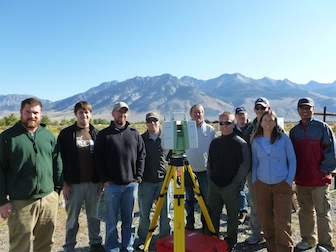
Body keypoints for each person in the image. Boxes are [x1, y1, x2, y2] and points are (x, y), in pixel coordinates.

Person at [0, 97, 63, 252]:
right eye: (28, 112)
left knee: (46, 244)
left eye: (35, 113)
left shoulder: (48, 136)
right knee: (20, 246)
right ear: (21, 112)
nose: (31, 116)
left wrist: (56, 192)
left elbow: (57, 163)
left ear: (41, 114)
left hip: (48, 199)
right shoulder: (7, 138)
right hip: (21, 202)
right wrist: (2, 201)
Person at [94, 101, 146, 252]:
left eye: (124, 112)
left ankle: (127, 247)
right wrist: (105, 180)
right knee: (111, 221)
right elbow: (98, 159)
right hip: (112, 186)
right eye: (119, 111)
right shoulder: (104, 135)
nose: (122, 115)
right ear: (113, 113)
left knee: (128, 221)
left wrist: (138, 178)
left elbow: (142, 156)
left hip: (131, 185)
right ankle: (112, 248)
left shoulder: (134, 134)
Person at [57, 101, 105, 252]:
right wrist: (64, 183)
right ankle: (69, 246)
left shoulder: (96, 133)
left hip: (93, 184)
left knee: (94, 216)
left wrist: (102, 180)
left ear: (90, 114)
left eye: (87, 112)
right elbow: (59, 160)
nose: (84, 115)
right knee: (72, 219)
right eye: (81, 112)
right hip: (73, 185)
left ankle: (95, 243)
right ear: (75, 114)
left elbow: (103, 158)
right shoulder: (66, 134)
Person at [289, 97, 336, 252]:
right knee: (305, 211)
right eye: (302, 108)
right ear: (298, 111)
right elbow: (291, 155)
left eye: (308, 108)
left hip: (320, 180)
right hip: (302, 180)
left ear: (313, 110)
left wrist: (324, 171)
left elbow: (331, 153)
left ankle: (326, 245)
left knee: (323, 213)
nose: (305, 110)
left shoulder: (322, 128)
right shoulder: (294, 132)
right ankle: (308, 240)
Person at [251, 110, 296, 252]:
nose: (268, 123)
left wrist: (289, 180)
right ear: (260, 122)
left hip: (282, 184)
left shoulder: (283, 139)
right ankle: (272, 249)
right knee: (266, 221)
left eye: (271, 120)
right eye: (265, 120)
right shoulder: (256, 141)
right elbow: (254, 162)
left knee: (283, 222)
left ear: (276, 122)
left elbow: (292, 159)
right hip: (262, 185)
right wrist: (255, 181)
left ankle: (285, 249)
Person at [206, 111, 250, 251]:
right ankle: (212, 238)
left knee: (232, 217)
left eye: (228, 122)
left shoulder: (240, 143)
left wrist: (235, 183)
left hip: (231, 186)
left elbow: (244, 166)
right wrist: (211, 179)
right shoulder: (215, 142)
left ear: (233, 124)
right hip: (214, 185)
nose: (225, 126)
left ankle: (230, 241)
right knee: (212, 214)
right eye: (222, 123)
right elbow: (210, 163)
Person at [135, 112, 171, 251]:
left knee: (165, 214)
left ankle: (165, 239)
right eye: (149, 121)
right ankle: (144, 240)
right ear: (146, 123)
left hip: (164, 181)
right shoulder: (141, 139)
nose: (152, 123)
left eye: (155, 120)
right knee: (145, 214)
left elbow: (172, 156)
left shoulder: (167, 138)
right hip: (146, 182)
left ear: (159, 121)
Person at [243, 97, 271, 245]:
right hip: (253, 172)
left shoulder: (275, 126)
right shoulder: (249, 129)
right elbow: (244, 151)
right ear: (254, 110)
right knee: (255, 203)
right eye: (257, 108)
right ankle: (256, 233)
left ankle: (271, 234)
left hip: (272, 172)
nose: (260, 111)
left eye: (263, 108)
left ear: (269, 109)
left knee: (271, 203)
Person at [184, 104, 217, 230]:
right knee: (189, 198)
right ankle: (190, 222)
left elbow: (215, 150)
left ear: (203, 114)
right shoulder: (185, 130)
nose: (198, 114)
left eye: (200, 112)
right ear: (190, 114)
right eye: (195, 112)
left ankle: (205, 223)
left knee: (206, 199)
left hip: (204, 171)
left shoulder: (210, 130)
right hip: (189, 170)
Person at [233, 106, 252, 224]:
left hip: (253, 163)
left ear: (247, 115)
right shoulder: (233, 129)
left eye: (243, 115)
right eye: (239, 115)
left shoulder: (253, 128)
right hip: (238, 164)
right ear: (236, 117)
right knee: (240, 187)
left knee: (254, 190)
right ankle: (243, 210)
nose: (241, 117)